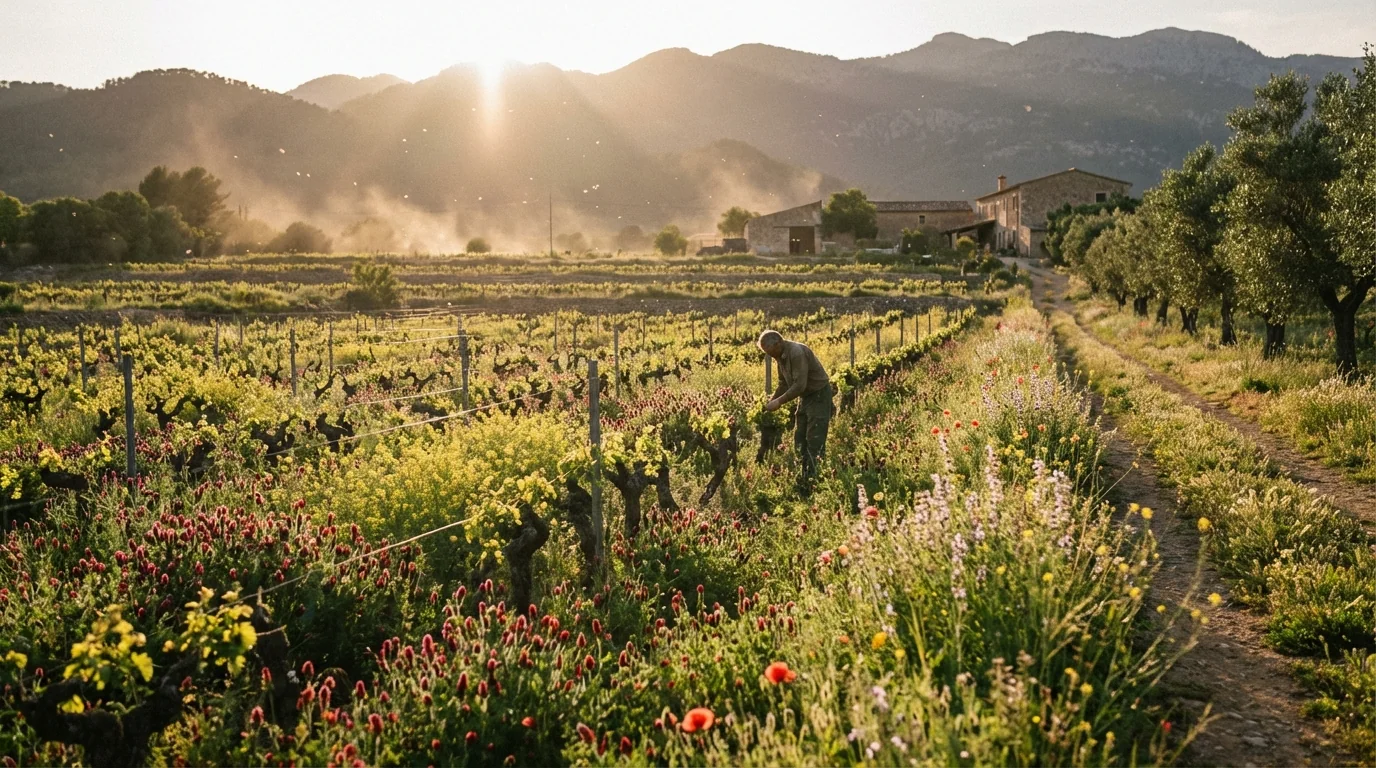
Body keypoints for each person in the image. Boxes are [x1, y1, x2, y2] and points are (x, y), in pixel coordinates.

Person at [758, 329, 834, 493]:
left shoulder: (796, 353)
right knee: (799, 437)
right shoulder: (780, 355)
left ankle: (815, 481)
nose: (772, 357)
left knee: (815, 437)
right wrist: (771, 400)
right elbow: (783, 383)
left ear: (778, 343)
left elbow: (800, 385)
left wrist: (778, 402)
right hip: (806, 397)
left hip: (818, 394)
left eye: (771, 353)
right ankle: (805, 474)